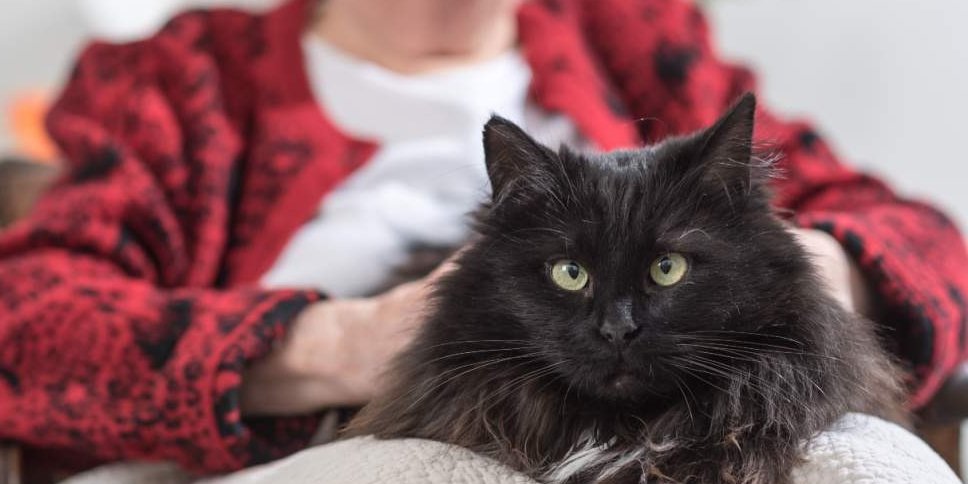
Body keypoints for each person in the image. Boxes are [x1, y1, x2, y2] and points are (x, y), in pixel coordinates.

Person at [0, 0, 965, 476]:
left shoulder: (636, 36)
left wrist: (809, 270)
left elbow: (928, 244)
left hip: (686, 426)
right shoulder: (185, 76)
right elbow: (23, 319)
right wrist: (346, 343)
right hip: (364, 450)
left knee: (870, 465)